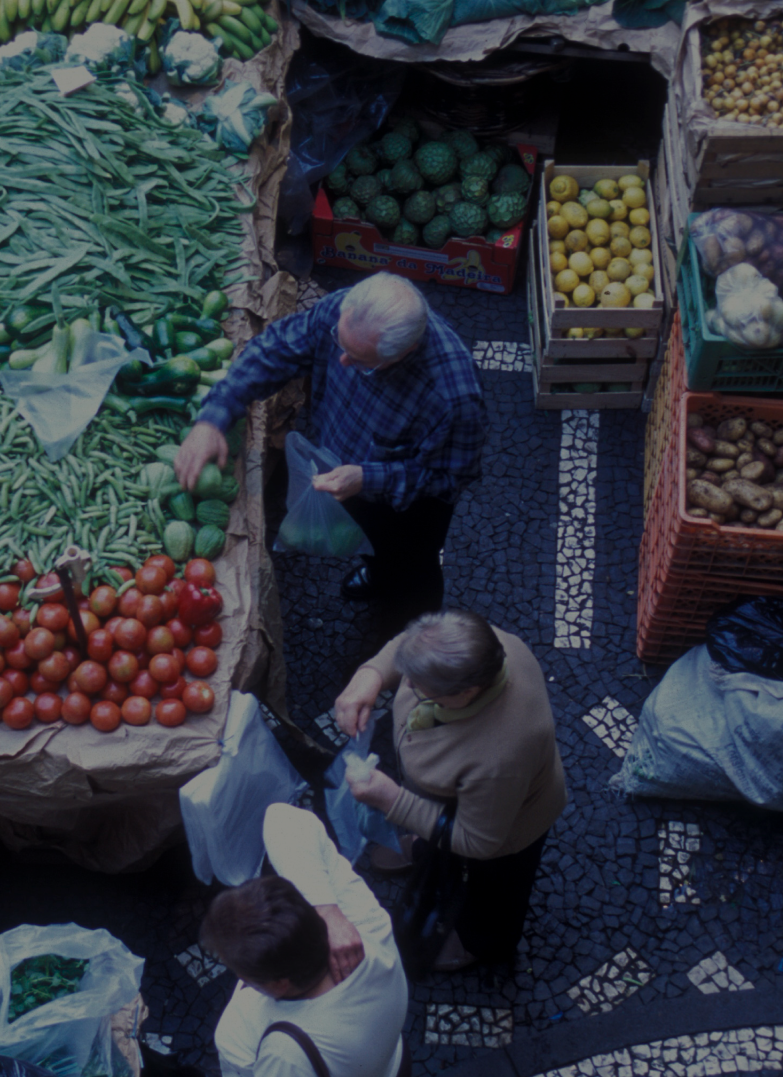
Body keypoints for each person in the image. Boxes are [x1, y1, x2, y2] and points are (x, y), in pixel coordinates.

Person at [173, 272, 485, 624]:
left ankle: (410, 625)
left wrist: (369, 478)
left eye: (361, 361)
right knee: (366, 541)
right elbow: (277, 350)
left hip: (404, 506)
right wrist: (213, 417)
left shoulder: (453, 398)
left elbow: (449, 478)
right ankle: (378, 573)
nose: (342, 362)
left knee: (410, 569)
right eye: (340, 343)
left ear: (406, 352)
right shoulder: (344, 310)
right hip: (340, 469)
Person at [334, 610, 567, 972]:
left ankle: (480, 944)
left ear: (467, 691)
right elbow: (409, 645)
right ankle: (429, 848)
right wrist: (372, 674)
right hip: (458, 798)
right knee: (437, 837)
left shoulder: (498, 758)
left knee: (492, 894)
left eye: (417, 684)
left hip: (506, 833)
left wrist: (392, 800)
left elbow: (480, 841)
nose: (405, 685)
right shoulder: (477, 645)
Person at [204, 804, 409, 1077]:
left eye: (239, 971)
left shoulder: (283, 1056)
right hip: (392, 1061)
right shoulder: (368, 924)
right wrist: (327, 908)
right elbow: (281, 815)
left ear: (279, 984)